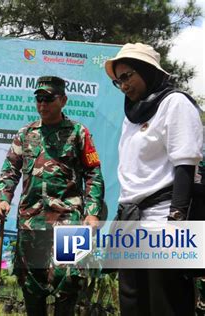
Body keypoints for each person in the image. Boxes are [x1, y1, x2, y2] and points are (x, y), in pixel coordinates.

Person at [104, 42, 203, 315]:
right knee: (132, 303)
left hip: (162, 223)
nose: (123, 85)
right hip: (130, 222)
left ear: (147, 72)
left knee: (165, 304)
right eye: (117, 80)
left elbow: (186, 165)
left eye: (127, 76)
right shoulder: (132, 116)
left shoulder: (175, 103)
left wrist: (177, 222)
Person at [0, 76, 105, 316]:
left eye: (49, 99)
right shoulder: (26, 134)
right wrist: (3, 199)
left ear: (63, 100)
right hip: (32, 221)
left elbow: (93, 174)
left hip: (70, 221)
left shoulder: (78, 133)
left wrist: (92, 213)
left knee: (70, 281)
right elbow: (9, 170)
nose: (42, 104)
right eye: (39, 99)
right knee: (32, 284)